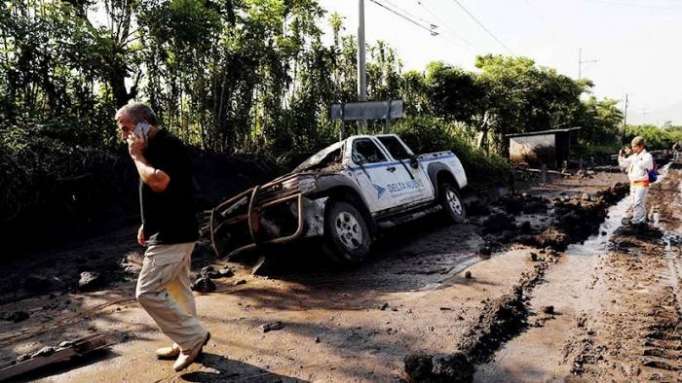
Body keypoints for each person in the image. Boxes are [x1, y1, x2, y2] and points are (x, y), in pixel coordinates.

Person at [115, 103, 210, 371]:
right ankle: (185, 342)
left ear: (144, 123)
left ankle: (192, 337)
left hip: (173, 233)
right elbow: (157, 192)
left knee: (146, 292)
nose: (124, 135)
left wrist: (136, 157)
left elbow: (158, 182)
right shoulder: (152, 147)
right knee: (177, 289)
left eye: (126, 128)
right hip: (168, 229)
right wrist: (147, 223)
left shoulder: (166, 145)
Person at [618, 136, 654, 227]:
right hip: (633, 183)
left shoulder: (647, 156)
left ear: (641, 146)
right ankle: (639, 219)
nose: (632, 149)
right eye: (632, 147)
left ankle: (638, 221)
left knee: (638, 202)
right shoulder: (633, 156)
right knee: (634, 202)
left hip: (642, 183)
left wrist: (635, 158)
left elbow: (648, 166)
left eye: (634, 147)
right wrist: (621, 155)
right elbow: (623, 164)